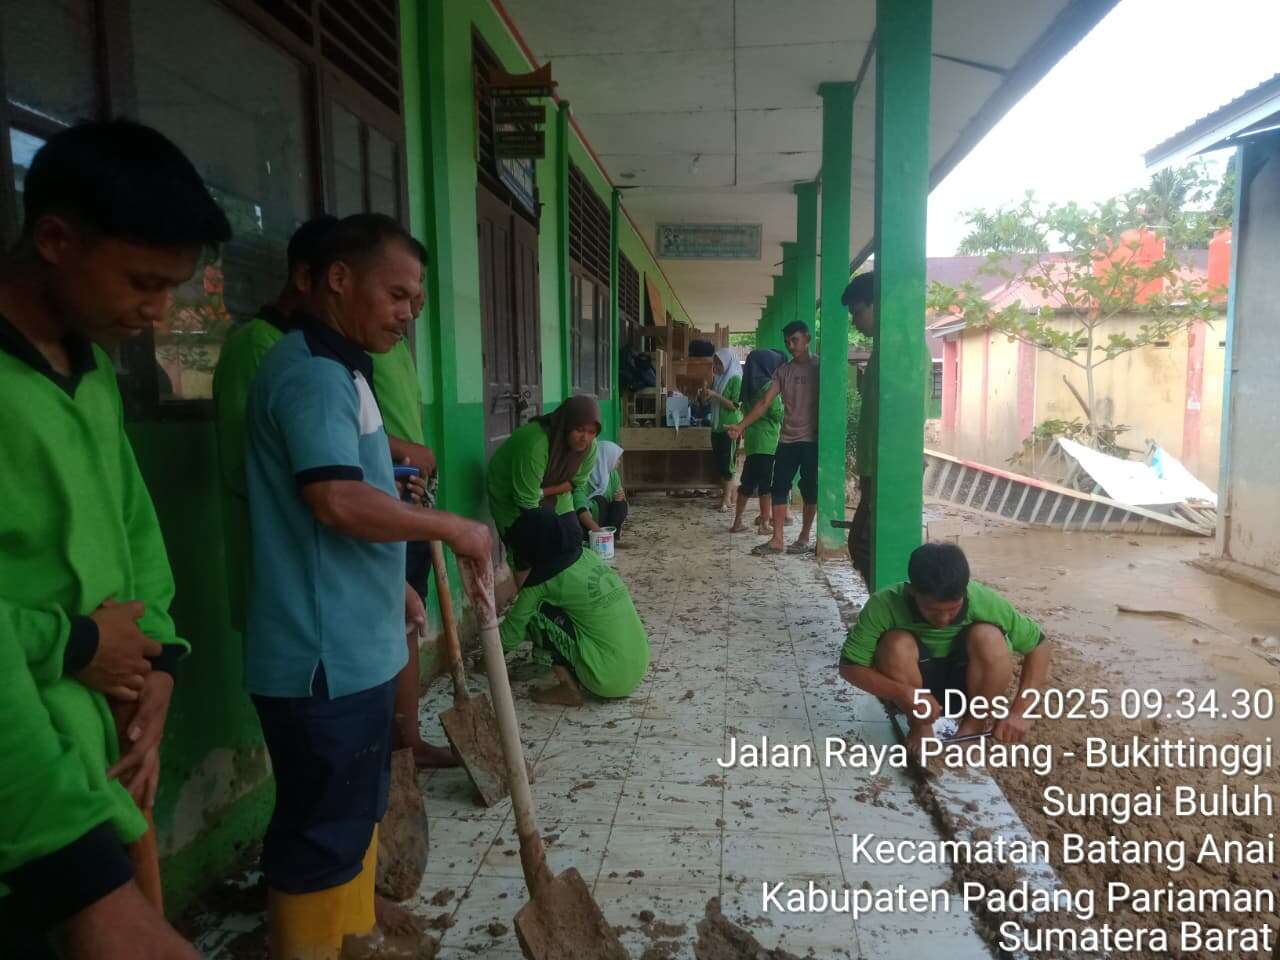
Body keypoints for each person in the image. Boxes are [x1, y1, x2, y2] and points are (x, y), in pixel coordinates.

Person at [0, 119, 225, 958]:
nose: (160, 310)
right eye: (142, 281)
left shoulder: (88, 373)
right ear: (55, 238)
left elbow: (134, 529)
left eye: (173, 285)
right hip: (24, 806)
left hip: (96, 769)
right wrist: (78, 642)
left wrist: (155, 656)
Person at [243, 213, 491, 959]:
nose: (407, 313)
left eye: (415, 300)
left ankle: (354, 935)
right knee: (322, 830)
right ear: (338, 279)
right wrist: (452, 527)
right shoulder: (314, 376)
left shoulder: (346, 371)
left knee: (351, 817)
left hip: (355, 638)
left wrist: (397, 590)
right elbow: (336, 501)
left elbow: (350, 501)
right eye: (396, 294)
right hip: (322, 655)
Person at [214, 214, 338, 633]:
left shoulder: (314, 354)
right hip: (279, 555)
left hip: (317, 560)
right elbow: (244, 465)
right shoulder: (257, 347)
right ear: (306, 277)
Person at [837, 543, 1051, 756]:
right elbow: (850, 667)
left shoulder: (985, 601)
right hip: (913, 694)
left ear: (964, 591)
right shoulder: (884, 604)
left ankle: (973, 727)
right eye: (932, 610)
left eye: (952, 609)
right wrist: (902, 693)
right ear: (912, 591)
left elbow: (1039, 645)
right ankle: (921, 727)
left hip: (969, 688)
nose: (943, 619)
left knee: (989, 637)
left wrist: (1021, 710)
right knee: (895, 642)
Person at [499, 509, 649, 706]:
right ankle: (555, 665)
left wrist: (486, 655)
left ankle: (568, 688)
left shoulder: (541, 584)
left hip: (606, 679)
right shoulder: (588, 556)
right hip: (637, 666)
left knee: (537, 612)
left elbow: (509, 638)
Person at [726, 319, 820, 555]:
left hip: (812, 440)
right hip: (787, 440)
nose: (791, 346)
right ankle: (777, 539)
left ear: (807, 339)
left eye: (795, 340)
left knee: (810, 490)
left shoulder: (820, 367)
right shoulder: (782, 372)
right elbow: (764, 403)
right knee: (779, 487)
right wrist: (741, 425)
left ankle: (804, 537)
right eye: (787, 342)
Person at [486, 395, 601, 582]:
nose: (585, 438)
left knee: (571, 538)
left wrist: (544, 493)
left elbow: (576, 482)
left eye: (592, 432)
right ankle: (529, 603)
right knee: (526, 548)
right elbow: (526, 502)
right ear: (566, 426)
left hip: (555, 491)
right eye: (579, 430)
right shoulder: (536, 444)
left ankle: (562, 598)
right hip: (511, 495)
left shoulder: (590, 448)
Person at [729, 348, 785, 535]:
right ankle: (765, 524)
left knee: (747, 484)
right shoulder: (769, 387)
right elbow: (777, 414)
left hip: (752, 443)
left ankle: (737, 521)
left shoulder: (748, 389)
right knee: (765, 486)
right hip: (767, 444)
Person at [702, 347, 742, 511]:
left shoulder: (736, 378)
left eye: (719, 363)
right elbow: (711, 402)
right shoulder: (717, 379)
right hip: (717, 427)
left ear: (728, 362)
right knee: (720, 463)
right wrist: (704, 395)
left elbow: (735, 405)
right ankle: (728, 497)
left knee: (728, 464)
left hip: (730, 427)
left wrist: (716, 395)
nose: (716, 367)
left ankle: (726, 499)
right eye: (715, 363)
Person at [585, 440, 628, 543]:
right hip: (589, 519)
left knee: (621, 504)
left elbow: (621, 496)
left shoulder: (612, 474)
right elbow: (580, 501)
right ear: (604, 458)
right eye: (616, 459)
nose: (618, 462)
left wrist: (620, 498)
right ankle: (596, 535)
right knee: (599, 500)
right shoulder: (585, 475)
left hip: (608, 516)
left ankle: (612, 535)